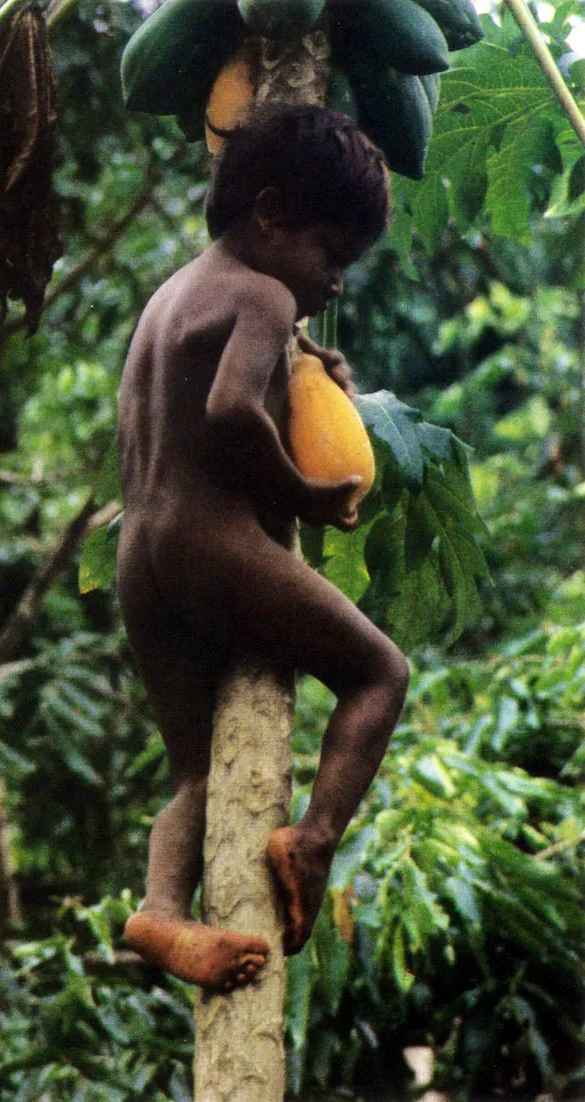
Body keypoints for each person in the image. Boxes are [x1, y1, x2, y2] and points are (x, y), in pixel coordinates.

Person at [116, 104, 409, 993]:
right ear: (271, 214)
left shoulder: (173, 297)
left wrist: (310, 370)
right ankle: (313, 839)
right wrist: (300, 496)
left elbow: (196, 407)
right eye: (331, 253)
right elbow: (233, 411)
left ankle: (159, 915)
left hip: (142, 556)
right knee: (378, 675)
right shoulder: (265, 292)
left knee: (195, 773)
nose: (334, 283)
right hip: (215, 543)